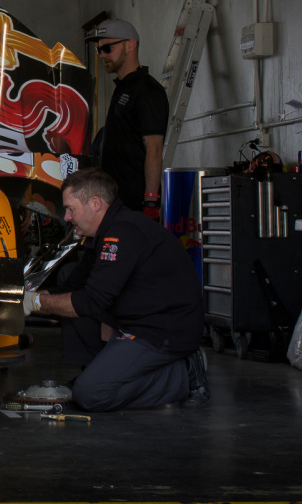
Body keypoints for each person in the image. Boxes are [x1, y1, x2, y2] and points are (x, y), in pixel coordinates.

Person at [23, 168, 209, 412]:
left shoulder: (122, 233)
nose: (66, 217)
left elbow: (91, 301)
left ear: (95, 204)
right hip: (138, 318)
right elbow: (69, 289)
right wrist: (19, 298)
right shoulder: (102, 234)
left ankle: (185, 373)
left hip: (163, 330)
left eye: (71, 209)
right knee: (69, 276)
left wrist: (34, 302)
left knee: (91, 395)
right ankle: (98, 371)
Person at [86, 19, 169, 220]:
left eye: (108, 48)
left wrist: (151, 201)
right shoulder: (123, 88)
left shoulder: (147, 90)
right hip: (113, 202)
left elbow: (154, 149)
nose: (102, 55)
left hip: (133, 205)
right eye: (99, 50)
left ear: (130, 45)